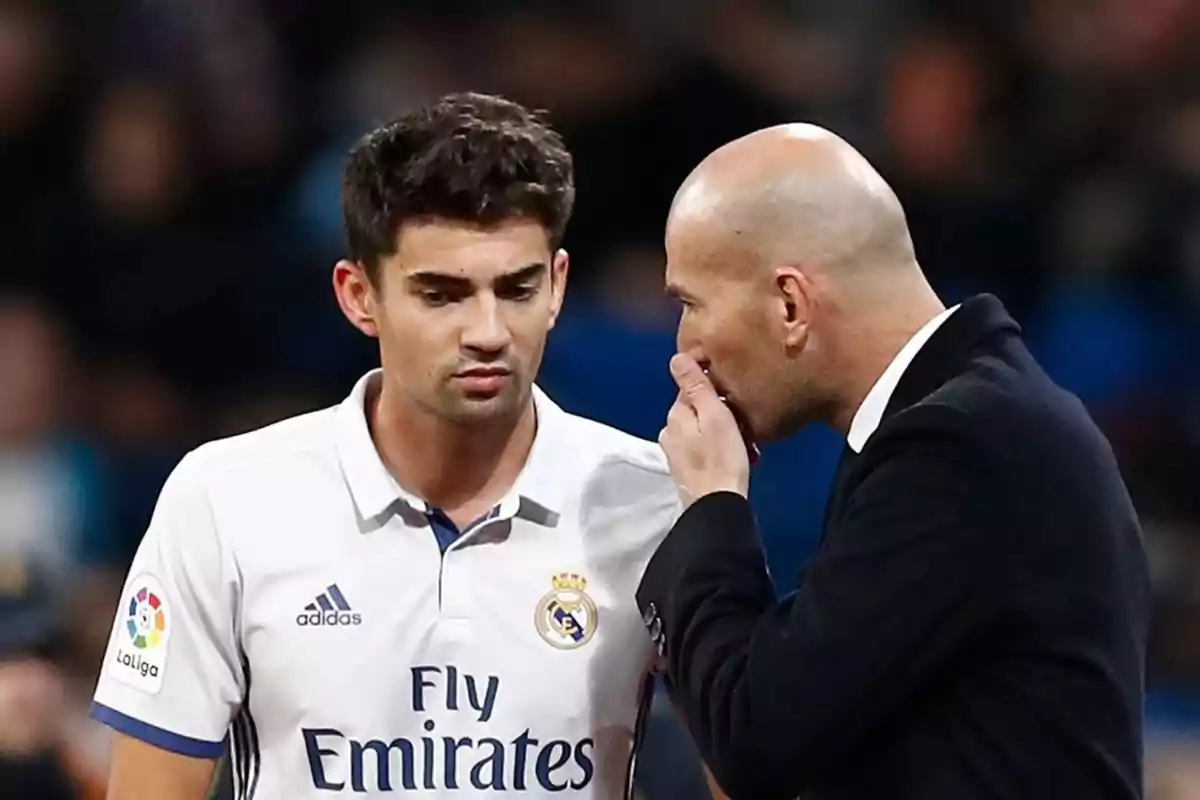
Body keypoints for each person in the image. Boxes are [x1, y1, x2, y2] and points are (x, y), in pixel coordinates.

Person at [90, 92, 685, 799]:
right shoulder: (224, 501)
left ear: (556, 285)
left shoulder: (658, 505)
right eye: (442, 295)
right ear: (357, 295)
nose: (488, 331)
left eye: (517, 288)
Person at [636, 123, 1149, 799]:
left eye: (692, 305)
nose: (686, 349)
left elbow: (752, 743)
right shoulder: (979, 421)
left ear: (790, 305)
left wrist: (711, 506)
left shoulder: (962, 448)